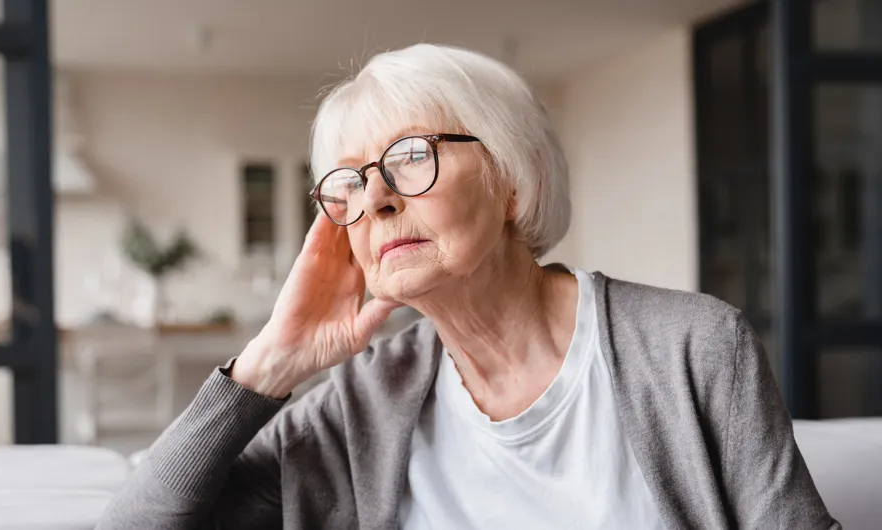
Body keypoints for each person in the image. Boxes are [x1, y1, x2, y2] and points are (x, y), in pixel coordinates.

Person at [98, 43, 839, 529]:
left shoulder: (695, 348)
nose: (378, 198)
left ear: (511, 181)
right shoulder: (361, 401)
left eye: (411, 156)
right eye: (352, 181)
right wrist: (268, 365)